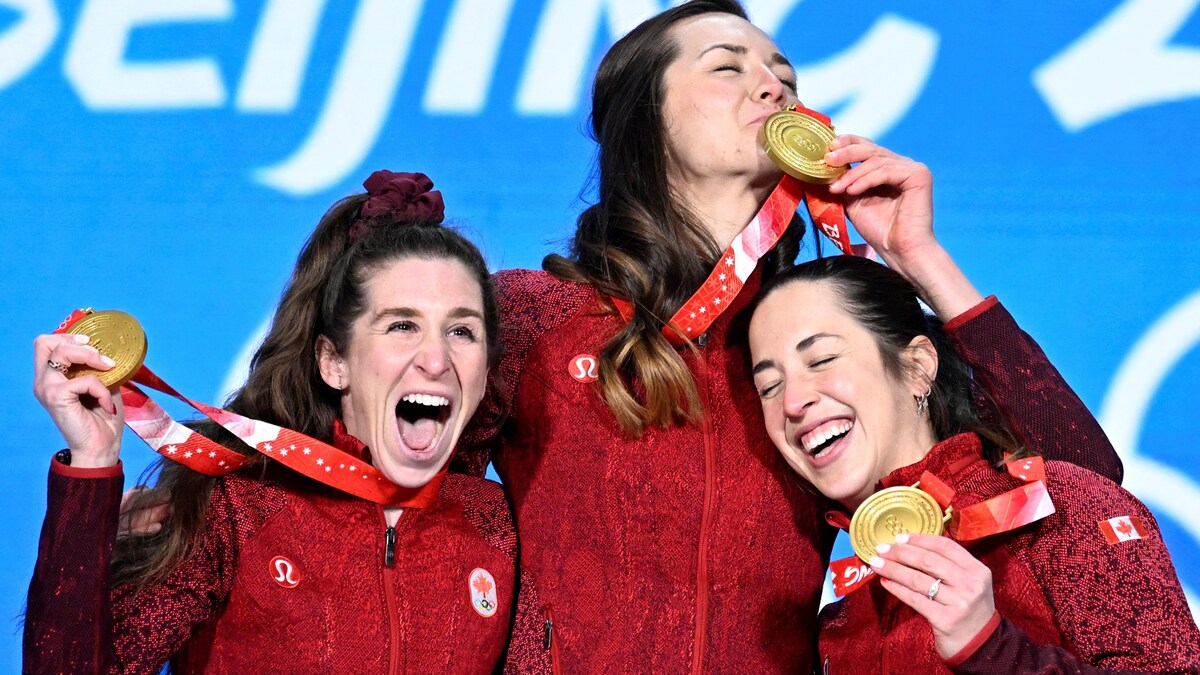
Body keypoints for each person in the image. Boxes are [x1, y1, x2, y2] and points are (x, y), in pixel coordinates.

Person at [452, 1, 1125, 672]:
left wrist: (918, 257)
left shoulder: (806, 352)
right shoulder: (532, 316)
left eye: (785, 76)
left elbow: (1084, 483)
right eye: (727, 67)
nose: (775, 87)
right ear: (647, 119)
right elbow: (411, 530)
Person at [24, 171, 543, 673]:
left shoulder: (498, 527)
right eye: (402, 325)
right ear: (333, 361)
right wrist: (91, 468)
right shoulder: (238, 506)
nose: (436, 359)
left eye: (462, 331)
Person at [747, 255, 1200, 673]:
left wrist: (993, 648)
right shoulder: (840, 623)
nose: (792, 401)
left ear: (918, 366)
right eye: (769, 386)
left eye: (822, 359)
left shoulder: (1053, 509)